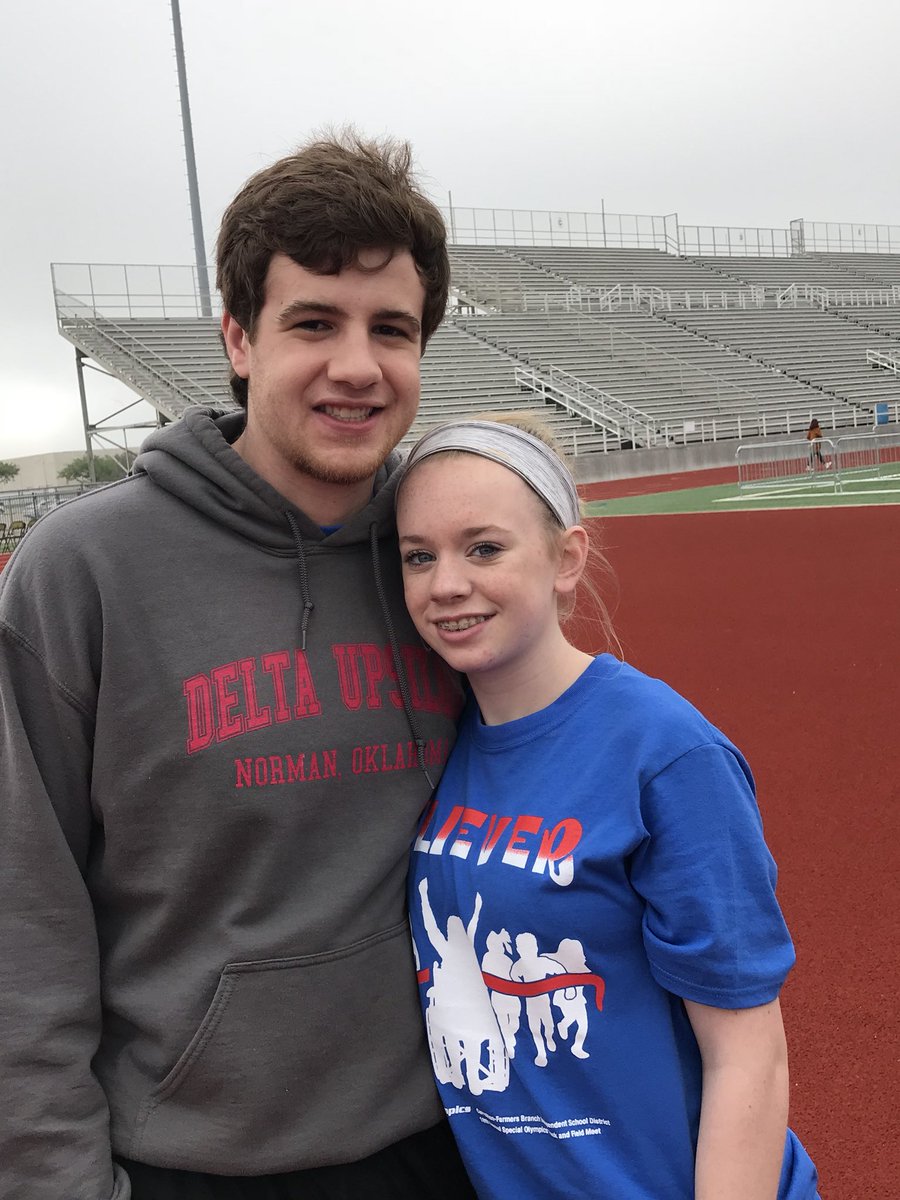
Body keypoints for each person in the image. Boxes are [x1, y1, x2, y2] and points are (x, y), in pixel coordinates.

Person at [0, 134, 478, 1199]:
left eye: (391, 331)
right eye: (313, 322)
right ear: (239, 337)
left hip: (448, 1145)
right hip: (190, 1161)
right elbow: (23, 922)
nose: (357, 365)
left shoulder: (440, 559)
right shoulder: (82, 572)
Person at [396, 416, 821, 1200]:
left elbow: (748, 1053)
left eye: (484, 548)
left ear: (567, 559)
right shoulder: (434, 741)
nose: (445, 583)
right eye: (419, 555)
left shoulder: (665, 753)